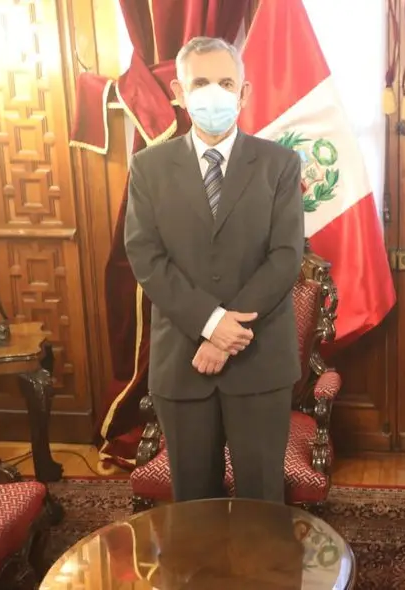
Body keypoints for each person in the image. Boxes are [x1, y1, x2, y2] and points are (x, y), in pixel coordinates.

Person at [124, 36, 304, 503]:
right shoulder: (148, 167)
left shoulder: (280, 164)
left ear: (244, 93)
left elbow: (286, 255)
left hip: (259, 359)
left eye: (226, 82)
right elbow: (146, 255)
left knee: (262, 501)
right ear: (178, 94)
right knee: (193, 505)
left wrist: (227, 332)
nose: (214, 94)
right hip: (182, 362)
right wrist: (209, 323)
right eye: (200, 83)